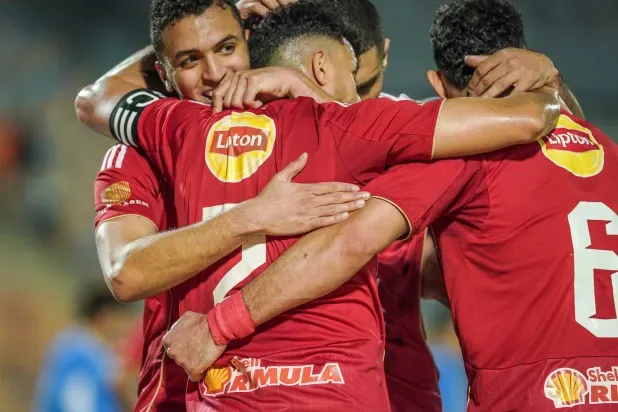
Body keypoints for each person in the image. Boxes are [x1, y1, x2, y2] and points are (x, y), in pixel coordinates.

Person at [81, 3, 562, 411]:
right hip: (224, 387)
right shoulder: (346, 128)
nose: (215, 73)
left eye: (226, 47)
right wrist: (253, 215)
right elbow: (126, 271)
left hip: (312, 390)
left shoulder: (169, 128)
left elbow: (95, 99)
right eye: (190, 59)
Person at [33, 284, 133, 412]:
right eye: (121, 317)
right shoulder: (78, 350)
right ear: (105, 315)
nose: (125, 325)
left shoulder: (96, 348)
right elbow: (74, 400)